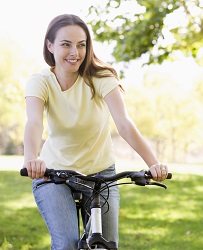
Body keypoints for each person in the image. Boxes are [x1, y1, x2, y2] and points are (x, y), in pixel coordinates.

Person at [23, 13, 169, 250]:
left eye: (81, 45)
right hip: (54, 174)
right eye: (65, 44)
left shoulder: (100, 77)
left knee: (106, 245)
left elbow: (124, 124)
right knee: (67, 244)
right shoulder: (40, 81)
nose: (75, 52)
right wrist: (32, 158)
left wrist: (154, 163)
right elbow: (33, 123)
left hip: (100, 174)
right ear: (50, 46)